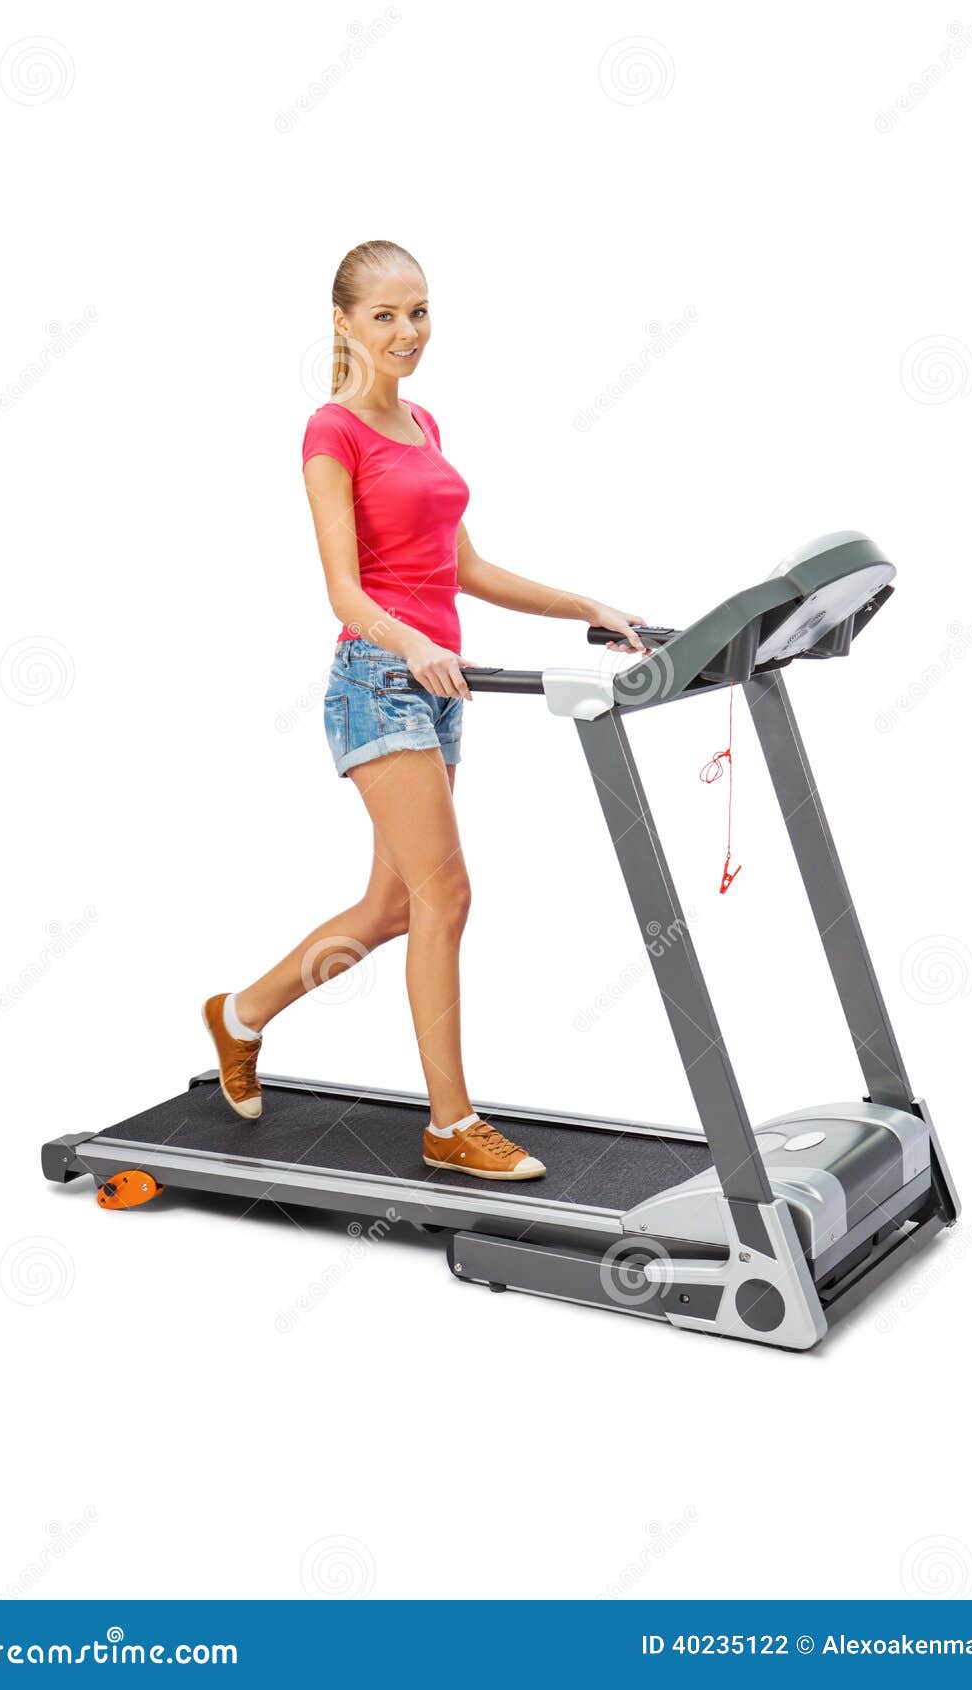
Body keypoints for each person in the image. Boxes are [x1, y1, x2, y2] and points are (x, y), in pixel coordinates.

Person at [203, 239, 647, 1180]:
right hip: (379, 682)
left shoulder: (423, 424)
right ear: (342, 323)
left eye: (419, 312)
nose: (408, 333)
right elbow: (344, 590)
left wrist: (587, 608)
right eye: (385, 316)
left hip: (441, 688)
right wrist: (413, 644)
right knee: (447, 895)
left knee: (391, 905)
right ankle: (449, 1126)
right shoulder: (332, 433)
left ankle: (239, 1015)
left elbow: (466, 569)